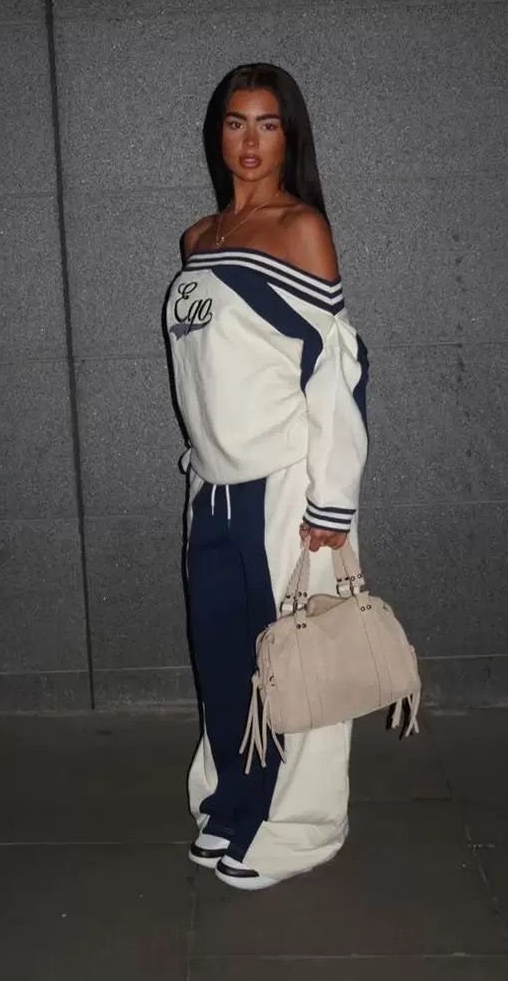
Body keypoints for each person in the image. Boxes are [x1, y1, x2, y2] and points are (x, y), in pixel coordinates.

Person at [163, 63, 369, 890]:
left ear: (290, 137)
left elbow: (337, 371)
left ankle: (300, 826)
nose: (250, 142)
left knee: (299, 665)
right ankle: (233, 806)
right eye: (236, 123)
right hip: (211, 489)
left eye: (268, 124)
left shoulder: (301, 229)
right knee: (223, 660)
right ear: (217, 134)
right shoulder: (197, 238)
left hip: (285, 487)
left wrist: (332, 501)